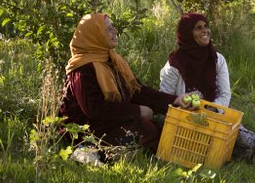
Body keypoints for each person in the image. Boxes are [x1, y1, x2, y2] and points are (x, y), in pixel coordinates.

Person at [159, 12, 255, 162]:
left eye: (206, 26)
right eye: (198, 28)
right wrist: (185, 107)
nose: (205, 31)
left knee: (229, 129)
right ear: (187, 34)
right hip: (184, 119)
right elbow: (164, 98)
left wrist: (213, 109)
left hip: (213, 115)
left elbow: (225, 93)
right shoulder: (174, 65)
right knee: (224, 135)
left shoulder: (217, 59)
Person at [58, 13, 194, 156]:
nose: (115, 32)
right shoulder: (82, 69)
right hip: (85, 130)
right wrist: (137, 111)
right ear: (95, 35)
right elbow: (94, 109)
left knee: (164, 129)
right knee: (147, 130)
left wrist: (174, 100)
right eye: (109, 29)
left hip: (109, 120)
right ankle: (89, 152)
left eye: (113, 28)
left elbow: (137, 91)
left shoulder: (112, 59)